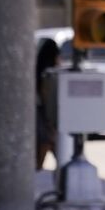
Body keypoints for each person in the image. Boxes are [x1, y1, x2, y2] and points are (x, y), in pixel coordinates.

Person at [35, 37, 60, 171]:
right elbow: (45, 95)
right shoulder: (48, 74)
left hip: (41, 113)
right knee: (48, 143)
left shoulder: (38, 70)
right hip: (44, 114)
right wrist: (49, 117)